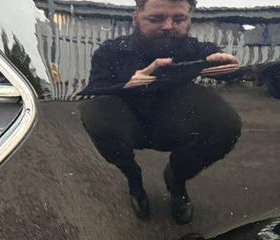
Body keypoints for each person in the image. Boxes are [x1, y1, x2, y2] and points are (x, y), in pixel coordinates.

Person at [79, 0, 242, 224]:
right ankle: (134, 180)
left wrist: (228, 65)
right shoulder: (110, 51)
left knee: (226, 123)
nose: (168, 26)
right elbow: (93, 91)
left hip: (171, 125)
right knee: (95, 113)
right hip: (127, 124)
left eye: (179, 19)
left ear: (189, 19)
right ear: (136, 17)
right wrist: (128, 84)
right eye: (156, 18)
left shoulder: (191, 49)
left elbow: (219, 62)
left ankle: (177, 179)